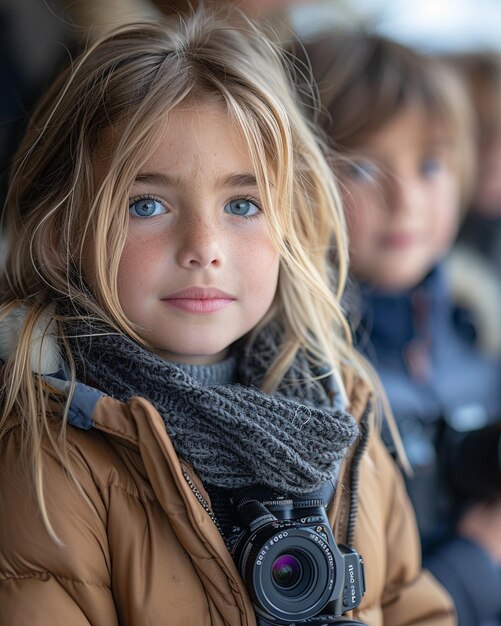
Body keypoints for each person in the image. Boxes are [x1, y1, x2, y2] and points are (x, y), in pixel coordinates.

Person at [0, 9, 455, 626]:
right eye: (148, 204)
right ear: (62, 232)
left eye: (242, 203)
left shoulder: (341, 410)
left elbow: (412, 604)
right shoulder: (49, 454)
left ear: (290, 222)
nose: (203, 245)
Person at [301, 30, 501, 626]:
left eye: (431, 164)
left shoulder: (476, 338)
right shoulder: (305, 374)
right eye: (363, 167)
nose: (407, 199)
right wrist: (476, 562)